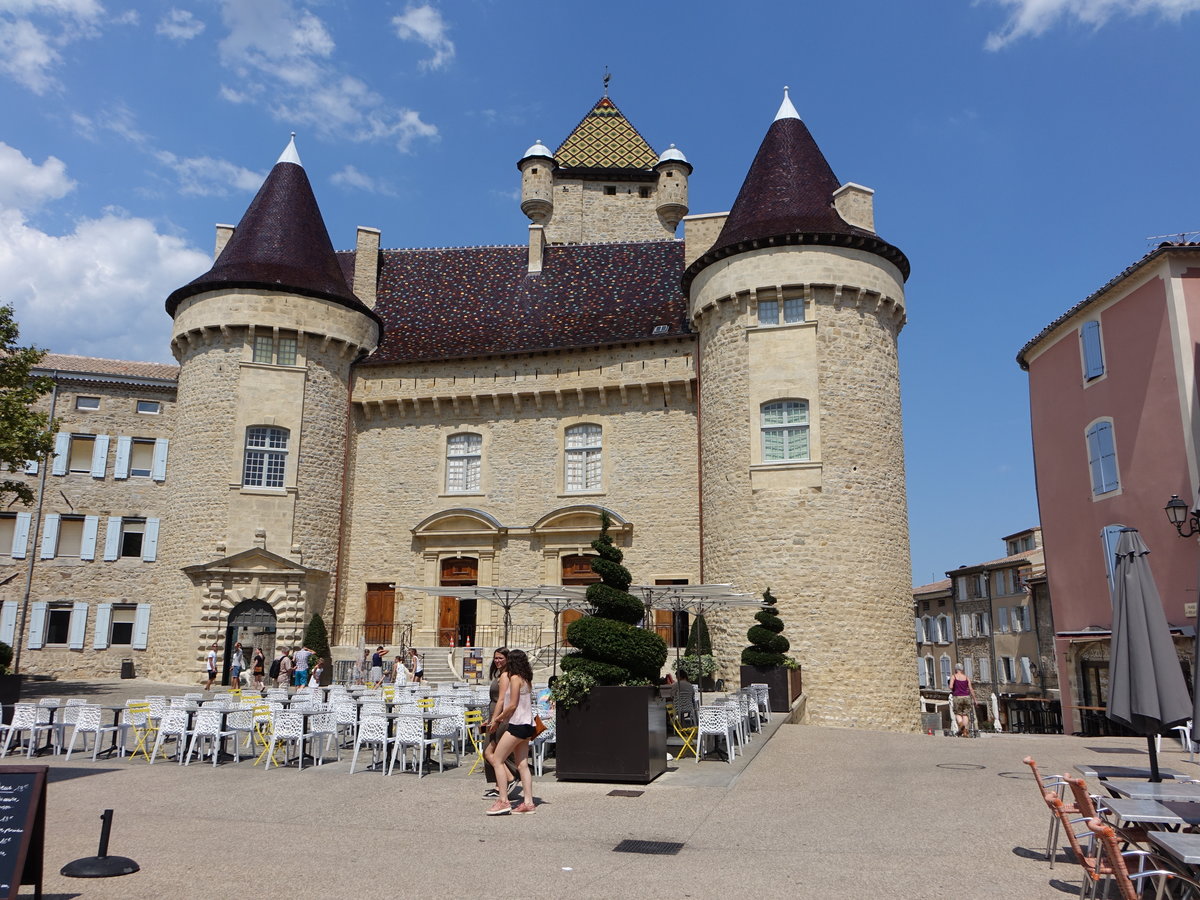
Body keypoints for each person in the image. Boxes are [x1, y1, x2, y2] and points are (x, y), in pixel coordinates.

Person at [485, 648, 537, 815]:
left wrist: (498, 718)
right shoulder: (526, 679)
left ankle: (503, 800)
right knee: (522, 764)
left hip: (517, 725)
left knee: (498, 759)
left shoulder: (514, 678)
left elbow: (512, 704)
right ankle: (528, 802)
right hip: (528, 724)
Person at [482, 648, 519, 800]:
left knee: (489, 752)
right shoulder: (501, 674)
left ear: (507, 659)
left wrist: (494, 720)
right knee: (497, 752)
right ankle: (499, 786)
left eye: (500, 658)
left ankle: (510, 778)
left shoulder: (504, 675)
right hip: (496, 715)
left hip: (500, 718)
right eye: (495, 658)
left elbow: (502, 700)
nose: (497, 661)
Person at [949, 663, 975, 737]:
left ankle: (962, 727)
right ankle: (965, 730)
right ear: (962, 669)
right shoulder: (966, 677)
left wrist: (954, 688)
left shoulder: (953, 676)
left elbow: (950, 686)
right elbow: (971, 689)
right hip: (966, 697)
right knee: (965, 714)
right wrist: (975, 699)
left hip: (957, 697)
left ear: (955, 669)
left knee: (958, 713)